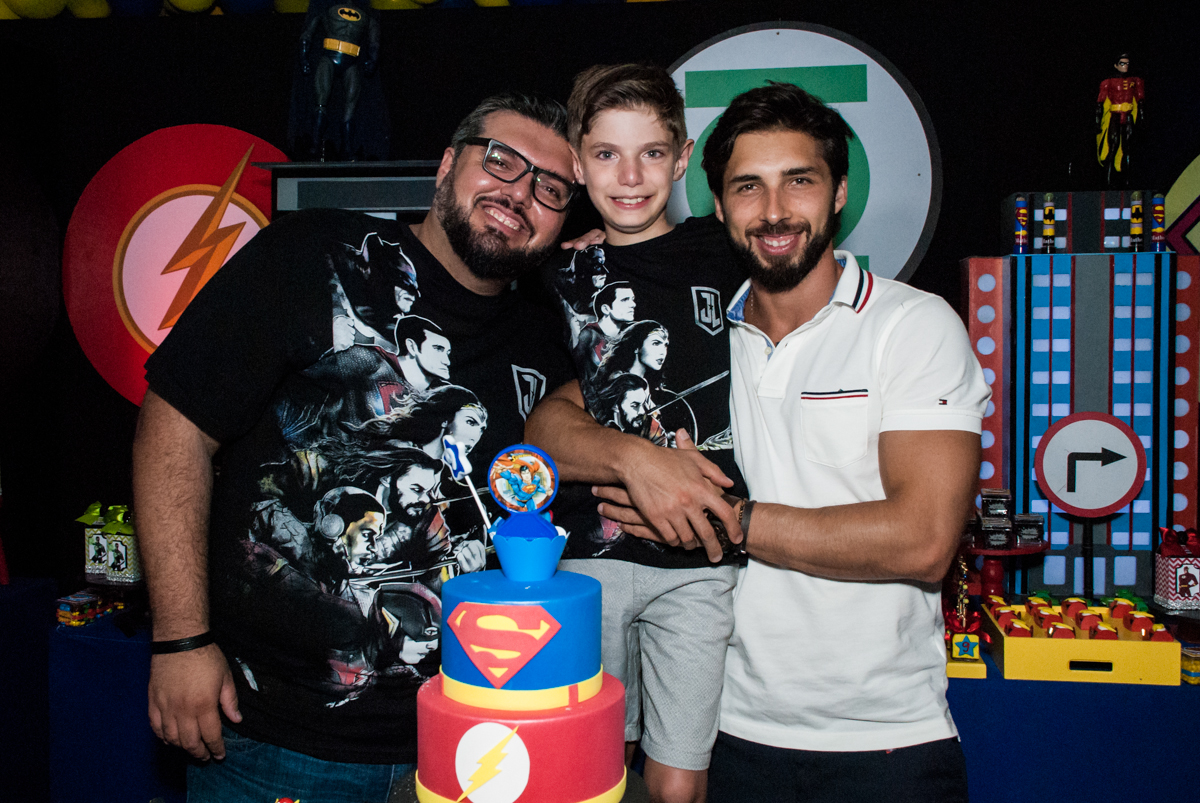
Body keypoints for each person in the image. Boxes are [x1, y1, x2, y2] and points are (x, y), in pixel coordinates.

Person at [132, 91, 575, 802]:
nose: (521, 192)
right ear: (445, 166)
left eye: (550, 188)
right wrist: (181, 638)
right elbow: (175, 423)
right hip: (272, 740)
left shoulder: (549, 337)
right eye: (502, 161)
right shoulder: (312, 254)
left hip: (474, 748)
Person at [612, 81, 983, 802]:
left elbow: (923, 539)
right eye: (747, 186)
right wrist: (633, 458)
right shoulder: (695, 330)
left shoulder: (911, 325)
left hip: (887, 743)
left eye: (799, 181)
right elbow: (556, 419)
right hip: (723, 738)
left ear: (839, 192)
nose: (775, 211)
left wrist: (722, 517)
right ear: (718, 205)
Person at [526, 63, 747, 803]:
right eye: (607, 154)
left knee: (679, 774)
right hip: (586, 555)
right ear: (578, 159)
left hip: (701, 559)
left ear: (683, 159)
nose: (630, 176)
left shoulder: (726, 251)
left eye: (652, 153)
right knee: (590, 761)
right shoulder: (555, 273)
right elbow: (541, 417)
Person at [1096, 52, 1144, 187]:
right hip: (1114, 116)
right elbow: (1100, 102)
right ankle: (1108, 182)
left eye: (1127, 63)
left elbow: (1140, 101)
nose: (1125, 66)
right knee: (1112, 148)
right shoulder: (1108, 82)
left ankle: (1127, 181)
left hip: (1128, 116)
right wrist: (1098, 121)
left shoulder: (1135, 81)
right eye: (1122, 63)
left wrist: (1140, 118)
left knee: (1127, 149)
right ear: (1116, 65)